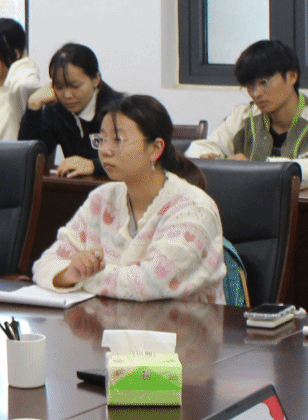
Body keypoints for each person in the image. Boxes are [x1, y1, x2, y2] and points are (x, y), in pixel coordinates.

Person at [30, 95, 226, 303]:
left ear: (155, 148)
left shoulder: (194, 208)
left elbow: (148, 284)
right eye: (102, 139)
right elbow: (45, 264)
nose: (105, 151)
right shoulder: (102, 199)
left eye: (118, 140)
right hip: (110, 321)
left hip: (185, 323)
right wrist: (68, 274)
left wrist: (82, 276)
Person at [188, 39, 308, 187]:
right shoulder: (243, 116)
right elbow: (196, 152)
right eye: (250, 86)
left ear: (292, 77)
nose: (256, 93)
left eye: (264, 82)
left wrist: (259, 169)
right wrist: (218, 163)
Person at [19, 43, 122, 178]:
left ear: (96, 80)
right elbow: (29, 158)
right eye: (59, 87)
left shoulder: (119, 111)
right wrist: (33, 106)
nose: (67, 95)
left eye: (75, 86)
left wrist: (94, 165)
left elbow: (134, 159)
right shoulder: (56, 109)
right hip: (75, 187)